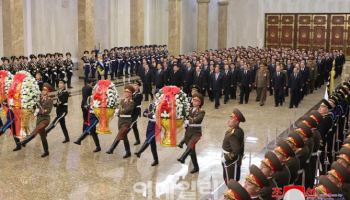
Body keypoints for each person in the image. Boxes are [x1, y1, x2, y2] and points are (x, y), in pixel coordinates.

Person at [20, 83, 54, 157]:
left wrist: (40, 110)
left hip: (45, 119)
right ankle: (46, 151)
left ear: (48, 91)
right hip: (39, 119)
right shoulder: (40, 98)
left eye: (45, 90)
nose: (43, 91)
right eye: (43, 90)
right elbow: (35, 106)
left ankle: (25, 141)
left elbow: (48, 111)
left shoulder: (50, 100)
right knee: (43, 136)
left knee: (37, 129)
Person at [177, 93, 205, 174]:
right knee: (192, 151)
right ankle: (196, 167)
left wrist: (188, 119)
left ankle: (183, 158)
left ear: (200, 103)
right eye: (193, 100)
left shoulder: (202, 111)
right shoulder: (189, 109)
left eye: (196, 100)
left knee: (190, 145)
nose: (194, 101)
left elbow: (196, 120)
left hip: (196, 132)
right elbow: (185, 117)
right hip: (188, 131)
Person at [106, 85, 135, 158]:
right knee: (124, 137)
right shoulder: (122, 101)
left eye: (128, 92)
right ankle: (128, 152)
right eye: (125, 91)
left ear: (131, 93)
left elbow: (126, 110)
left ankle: (112, 148)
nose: (126, 93)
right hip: (120, 121)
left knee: (120, 133)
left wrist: (118, 111)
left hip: (127, 122)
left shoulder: (132, 103)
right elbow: (118, 108)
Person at [222, 108, 246, 183]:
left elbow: (236, 151)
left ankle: (232, 194)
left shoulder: (233, 134)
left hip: (231, 163)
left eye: (232, 118)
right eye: (230, 117)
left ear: (237, 122)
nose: (229, 119)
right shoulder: (238, 130)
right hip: (233, 161)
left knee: (230, 181)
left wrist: (226, 157)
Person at [132, 81, 143, 145]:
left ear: (139, 86)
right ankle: (138, 140)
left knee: (133, 126)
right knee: (134, 126)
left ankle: (138, 140)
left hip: (135, 112)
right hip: (132, 112)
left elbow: (135, 104)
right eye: (134, 85)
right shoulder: (133, 93)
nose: (135, 86)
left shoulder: (139, 94)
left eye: (136, 85)